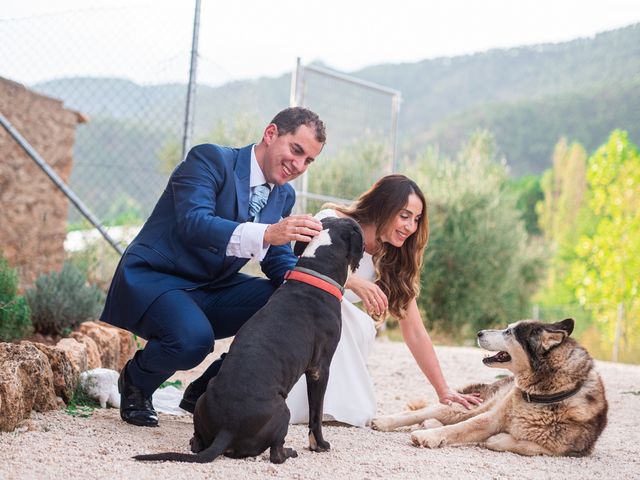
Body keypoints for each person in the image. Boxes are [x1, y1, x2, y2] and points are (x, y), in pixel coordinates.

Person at [100, 107, 326, 427]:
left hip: (210, 288)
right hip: (157, 278)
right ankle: (136, 382)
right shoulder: (210, 159)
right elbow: (195, 222)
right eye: (296, 150)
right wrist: (268, 233)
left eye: (309, 161)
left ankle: (208, 389)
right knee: (194, 340)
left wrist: (309, 286)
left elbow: (276, 257)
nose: (299, 165)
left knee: (289, 302)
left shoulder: (283, 195)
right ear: (271, 134)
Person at [286, 174, 482, 426]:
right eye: (404, 216)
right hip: (298, 316)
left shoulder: (393, 257)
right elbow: (299, 267)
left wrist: (444, 391)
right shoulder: (333, 222)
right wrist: (352, 281)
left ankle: (328, 405)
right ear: (383, 207)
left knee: (359, 406)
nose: (411, 227)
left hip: (329, 333)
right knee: (352, 317)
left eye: (416, 219)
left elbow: (414, 331)